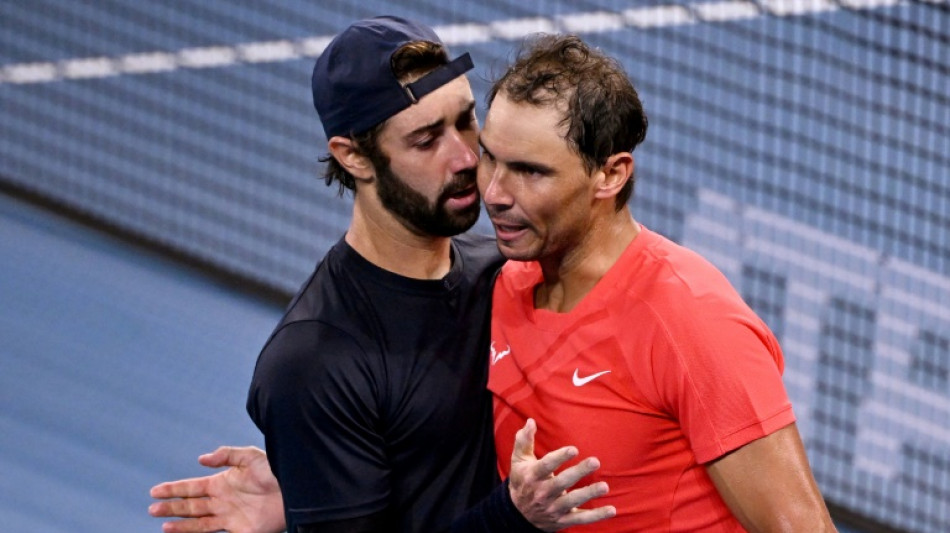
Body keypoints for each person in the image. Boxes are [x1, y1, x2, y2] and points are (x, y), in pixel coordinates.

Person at [149, 17, 614, 533]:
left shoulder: (509, 272)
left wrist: (311, 489)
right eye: (425, 140)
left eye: (464, 121)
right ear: (353, 156)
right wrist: (511, 516)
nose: (466, 158)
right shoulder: (316, 362)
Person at [479, 34, 838, 531]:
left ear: (610, 175)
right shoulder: (503, 284)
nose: (494, 192)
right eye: (489, 158)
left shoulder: (691, 321)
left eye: (529, 171)